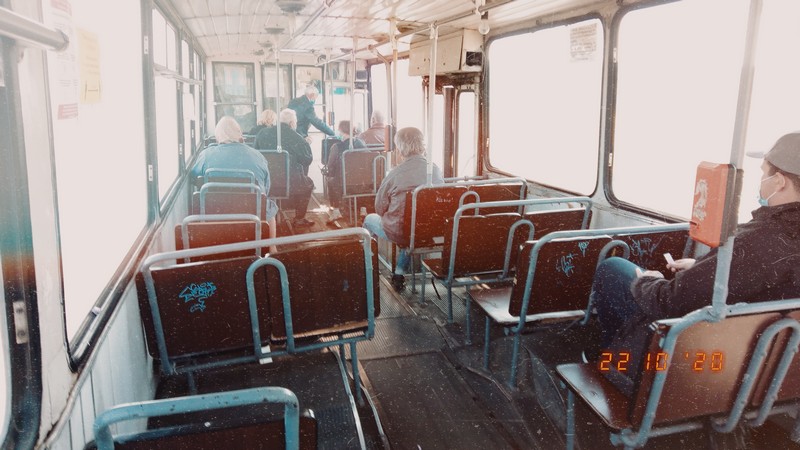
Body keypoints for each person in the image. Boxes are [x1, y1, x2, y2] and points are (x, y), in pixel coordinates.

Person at [589, 131, 800, 393]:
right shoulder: (777, 239)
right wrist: (702, 266)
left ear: (779, 181)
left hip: (714, 362)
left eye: (763, 173)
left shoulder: (759, 239)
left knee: (614, 270)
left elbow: (670, 301)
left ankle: (615, 366)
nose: (761, 182)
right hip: (768, 370)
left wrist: (649, 282)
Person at [362, 127, 444, 291]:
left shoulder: (395, 174)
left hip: (399, 231)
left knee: (369, 220)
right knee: (412, 231)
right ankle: (398, 274)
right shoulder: (434, 170)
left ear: (399, 149)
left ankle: (367, 264)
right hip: (429, 230)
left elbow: (379, 207)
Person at [191, 116, 279, 244]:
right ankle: (271, 248)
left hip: (214, 216)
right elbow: (266, 187)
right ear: (239, 134)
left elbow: (194, 179)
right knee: (268, 204)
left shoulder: (206, 155)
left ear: (218, 136)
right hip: (251, 216)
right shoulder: (258, 156)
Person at [254, 109, 316, 228]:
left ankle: (264, 217)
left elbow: (255, 154)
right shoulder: (297, 138)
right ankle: (299, 218)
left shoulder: (262, 134)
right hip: (290, 182)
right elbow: (307, 160)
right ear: (292, 123)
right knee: (308, 184)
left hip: (266, 181)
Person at [325, 120, 366, 221]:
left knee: (330, 180)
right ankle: (363, 209)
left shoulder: (336, 147)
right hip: (361, 183)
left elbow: (330, 165)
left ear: (342, 131)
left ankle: (336, 211)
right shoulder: (362, 144)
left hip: (342, 183)